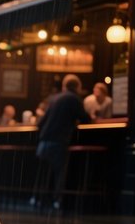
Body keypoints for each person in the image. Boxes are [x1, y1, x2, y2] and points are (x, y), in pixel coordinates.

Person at [31, 73, 91, 210]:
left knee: (43, 173)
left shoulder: (54, 99)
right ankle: (58, 201)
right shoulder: (74, 99)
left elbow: (41, 123)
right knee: (59, 173)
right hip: (58, 141)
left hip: (43, 142)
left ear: (64, 86)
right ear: (78, 87)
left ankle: (36, 198)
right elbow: (85, 118)